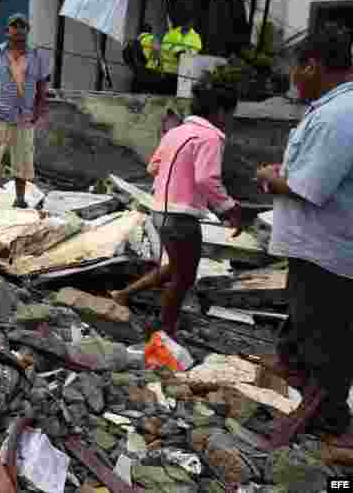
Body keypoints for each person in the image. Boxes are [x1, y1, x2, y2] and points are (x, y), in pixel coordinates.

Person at [257, 28, 353, 437]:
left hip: (326, 250)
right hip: (319, 247)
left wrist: (269, 177)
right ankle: (306, 401)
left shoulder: (339, 115)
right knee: (308, 330)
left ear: (312, 65)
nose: (293, 79)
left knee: (324, 342)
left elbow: (308, 189)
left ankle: (326, 423)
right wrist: (286, 176)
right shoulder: (333, 109)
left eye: (295, 69)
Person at [110, 81, 243, 336]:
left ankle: (122, 294)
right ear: (221, 112)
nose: (230, 120)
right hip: (181, 217)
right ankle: (166, 331)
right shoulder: (211, 137)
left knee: (176, 267)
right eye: (231, 114)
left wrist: (176, 177)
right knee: (184, 278)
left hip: (160, 212)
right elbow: (206, 179)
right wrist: (229, 208)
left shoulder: (176, 132)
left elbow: (153, 167)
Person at [0, 13, 50, 207]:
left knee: (24, 159)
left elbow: (42, 84)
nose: (18, 30)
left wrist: (39, 109)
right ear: (7, 31)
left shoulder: (36, 55)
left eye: (22, 26)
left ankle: (20, 198)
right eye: (14, 26)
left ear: (28, 30)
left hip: (24, 116)